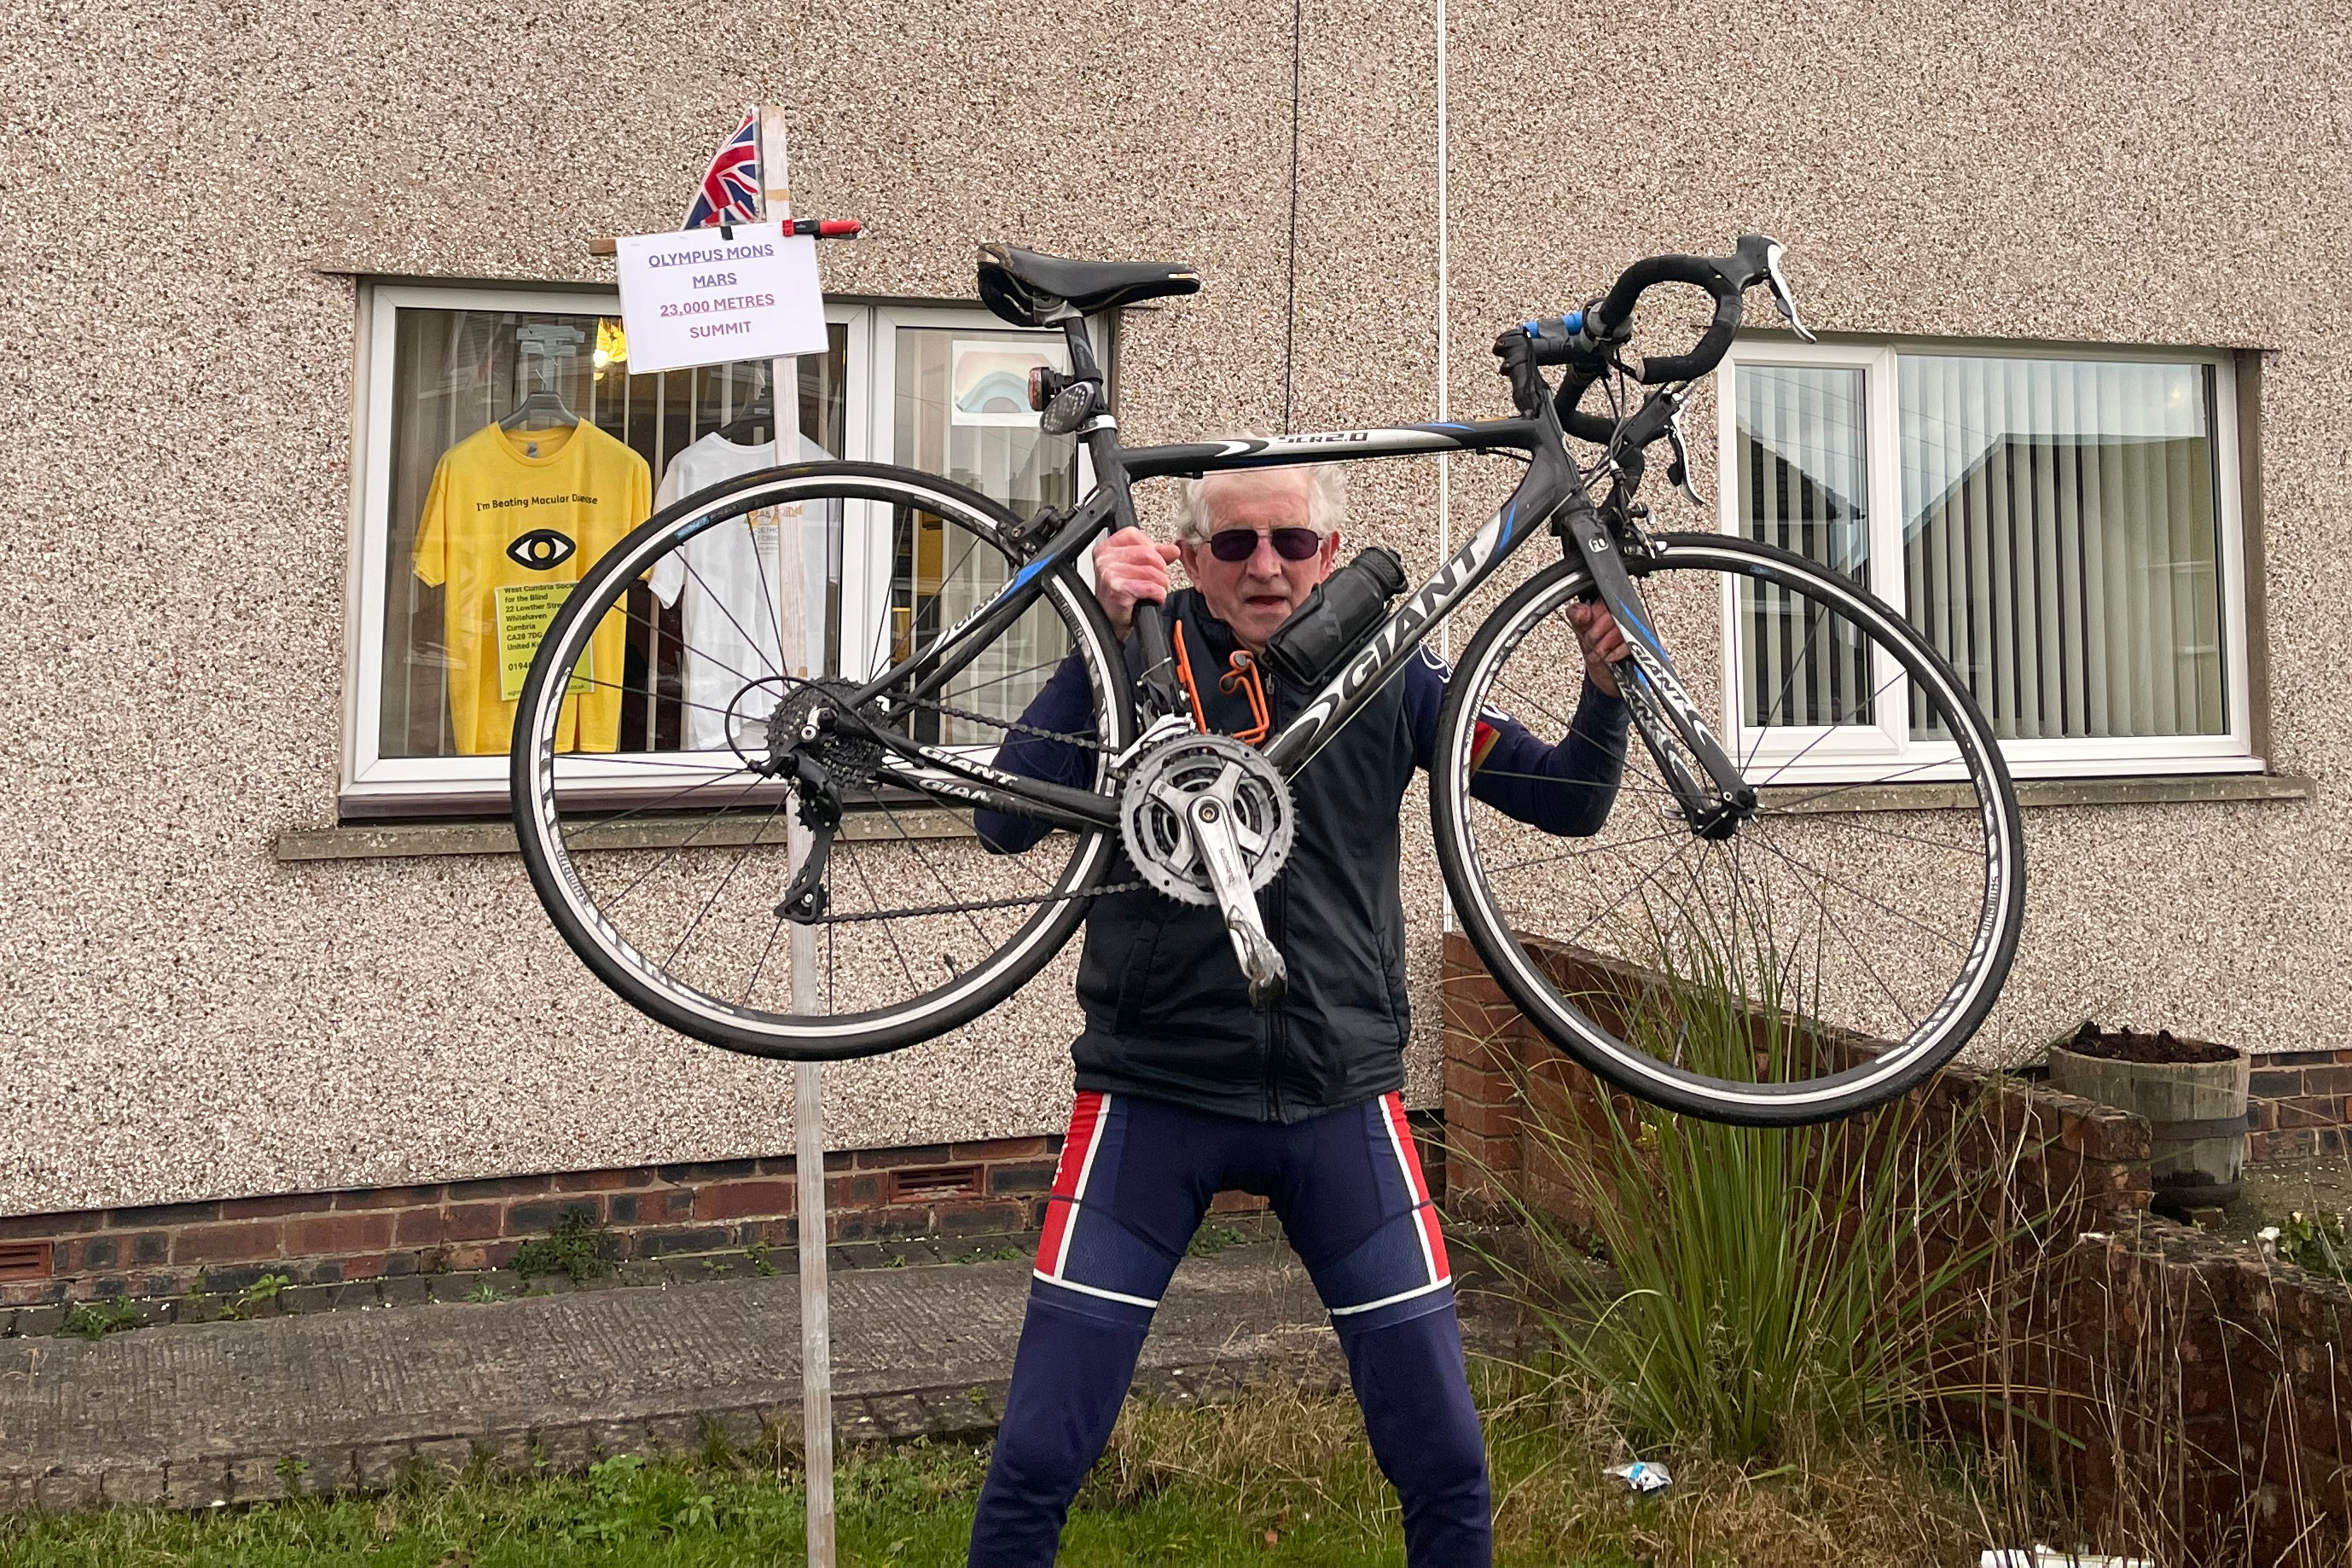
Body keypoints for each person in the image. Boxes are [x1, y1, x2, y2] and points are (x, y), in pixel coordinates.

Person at [967, 457, 1629, 1567]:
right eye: (1233, 545)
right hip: (1149, 1095)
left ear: (1332, 557)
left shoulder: (1394, 674)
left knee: (1445, 1461)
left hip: (1341, 1104)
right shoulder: (1139, 659)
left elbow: (1564, 798)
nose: (1263, 565)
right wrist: (1094, 627)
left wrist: (1602, 691)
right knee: (1038, 1453)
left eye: (1289, 543)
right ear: (1186, 559)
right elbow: (1001, 819)